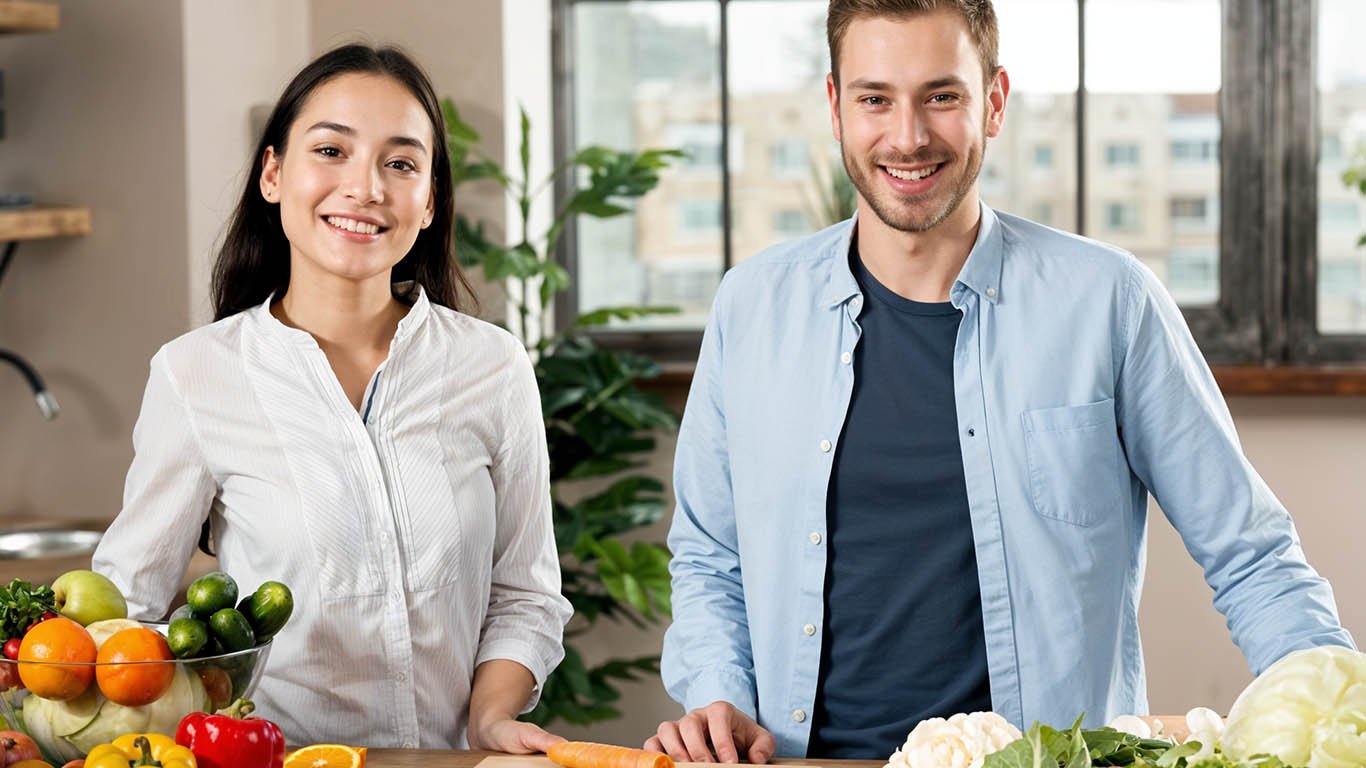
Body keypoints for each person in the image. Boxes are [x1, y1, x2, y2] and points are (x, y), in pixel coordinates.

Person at [648, 0, 1355, 761]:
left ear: (993, 101)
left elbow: (1247, 550)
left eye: (941, 96)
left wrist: (1334, 720)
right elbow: (710, 555)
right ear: (835, 107)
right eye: (875, 98)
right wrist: (717, 693)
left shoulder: (1107, 301)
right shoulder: (751, 307)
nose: (908, 136)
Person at [92, 44, 572, 751]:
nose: (366, 187)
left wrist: (491, 720)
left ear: (430, 200)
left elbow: (524, 596)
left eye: (401, 163)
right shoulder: (196, 374)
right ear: (274, 173)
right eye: (331, 151)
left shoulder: (490, 365)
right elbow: (127, 608)